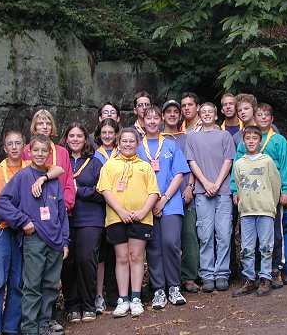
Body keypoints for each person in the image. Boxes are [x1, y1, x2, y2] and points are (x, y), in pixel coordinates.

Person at [0, 130, 64, 335]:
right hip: (30, 237)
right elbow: (0, 202)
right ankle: (27, 327)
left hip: (54, 240)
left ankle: (42, 324)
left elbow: (61, 211)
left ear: (48, 153)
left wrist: (65, 241)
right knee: (27, 284)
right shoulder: (21, 176)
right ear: (30, 151)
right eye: (35, 150)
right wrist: (23, 221)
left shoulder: (50, 177)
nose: (39, 153)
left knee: (50, 285)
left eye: (43, 151)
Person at [96, 128, 160, 318]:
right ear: (118, 142)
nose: (128, 144)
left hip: (141, 218)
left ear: (137, 143)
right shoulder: (110, 165)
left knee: (136, 256)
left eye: (131, 141)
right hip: (117, 217)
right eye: (124, 141)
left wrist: (142, 212)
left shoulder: (145, 166)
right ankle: (123, 299)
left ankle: (136, 297)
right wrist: (121, 211)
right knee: (122, 257)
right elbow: (105, 190)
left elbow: (153, 192)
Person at [233, 103, 287, 288]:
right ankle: (253, 275)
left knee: (274, 235)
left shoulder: (278, 141)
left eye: (267, 115)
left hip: (270, 197)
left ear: (272, 119)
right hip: (250, 201)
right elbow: (236, 172)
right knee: (250, 241)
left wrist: (285, 190)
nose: (263, 118)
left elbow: (284, 167)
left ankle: (276, 270)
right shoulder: (245, 146)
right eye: (259, 115)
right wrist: (236, 191)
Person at [137, 106, 190, 309]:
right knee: (153, 247)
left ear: (160, 120)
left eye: (155, 118)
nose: (151, 121)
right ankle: (158, 289)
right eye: (147, 118)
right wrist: (150, 202)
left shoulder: (170, 144)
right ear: (142, 121)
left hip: (171, 202)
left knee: (171, 243)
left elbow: (179, 174)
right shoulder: (137, 146)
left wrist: (165, 198)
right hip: (145, 204)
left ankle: (174, 286)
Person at [185, 102, 236, 292]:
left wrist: (217, 183)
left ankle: (222, 273)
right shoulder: (192, 137)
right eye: (203, 112)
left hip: (222, 192)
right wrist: (206, 183)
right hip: (202, 191)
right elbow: (192, 162)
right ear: (199, 115)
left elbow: (228, 160)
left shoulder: (225, 136)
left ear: (216, 116)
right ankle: (207, 274)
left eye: (210, 112)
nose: (207, 115)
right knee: (205, 235)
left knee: (223, 233)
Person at [59, 123, 105, 323]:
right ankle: (72, 305)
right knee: (68, 262)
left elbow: (103, 192)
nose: (75, 139)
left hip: (90, 218)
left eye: (79, 136)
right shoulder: (60, 162)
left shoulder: (95, 163)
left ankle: (88, 304)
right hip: (65, 218)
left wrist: (80, 190)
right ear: (66, 138)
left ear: (86, 139)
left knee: (86, 259)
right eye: (72, 135)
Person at [231, 126, 281, 297]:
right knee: (247, 248)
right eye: (248, 138)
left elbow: (275, 185)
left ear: (260, 141)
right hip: (247, 212)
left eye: (254, 138)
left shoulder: (267, 161)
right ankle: (249, 279)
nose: (251, 141)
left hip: (265, 209)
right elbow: (238, 185)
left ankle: (265, 278)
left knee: (266, 246)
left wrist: (271, 205)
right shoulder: (239, 164)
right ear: (243, 141)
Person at [161, 100, 199, 293]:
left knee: (189, 235)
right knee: (168, 241)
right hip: (163, 197)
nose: (173, 114)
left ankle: (189, 277)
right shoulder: (157, 138)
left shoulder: (187, 138)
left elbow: (191, 163)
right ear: (163, 115)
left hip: (185, 193)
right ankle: (166, 280)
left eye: (176, 111)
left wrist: (190, 186)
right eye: (169, 112)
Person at [22, 109, 76, 213]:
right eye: (40, 123)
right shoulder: (26, 151)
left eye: (48, 123)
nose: (45, 127)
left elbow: (69, 182)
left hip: (58, 207)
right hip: (33, 207)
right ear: (34, 127)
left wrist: (65, 205)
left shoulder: (62, 152)